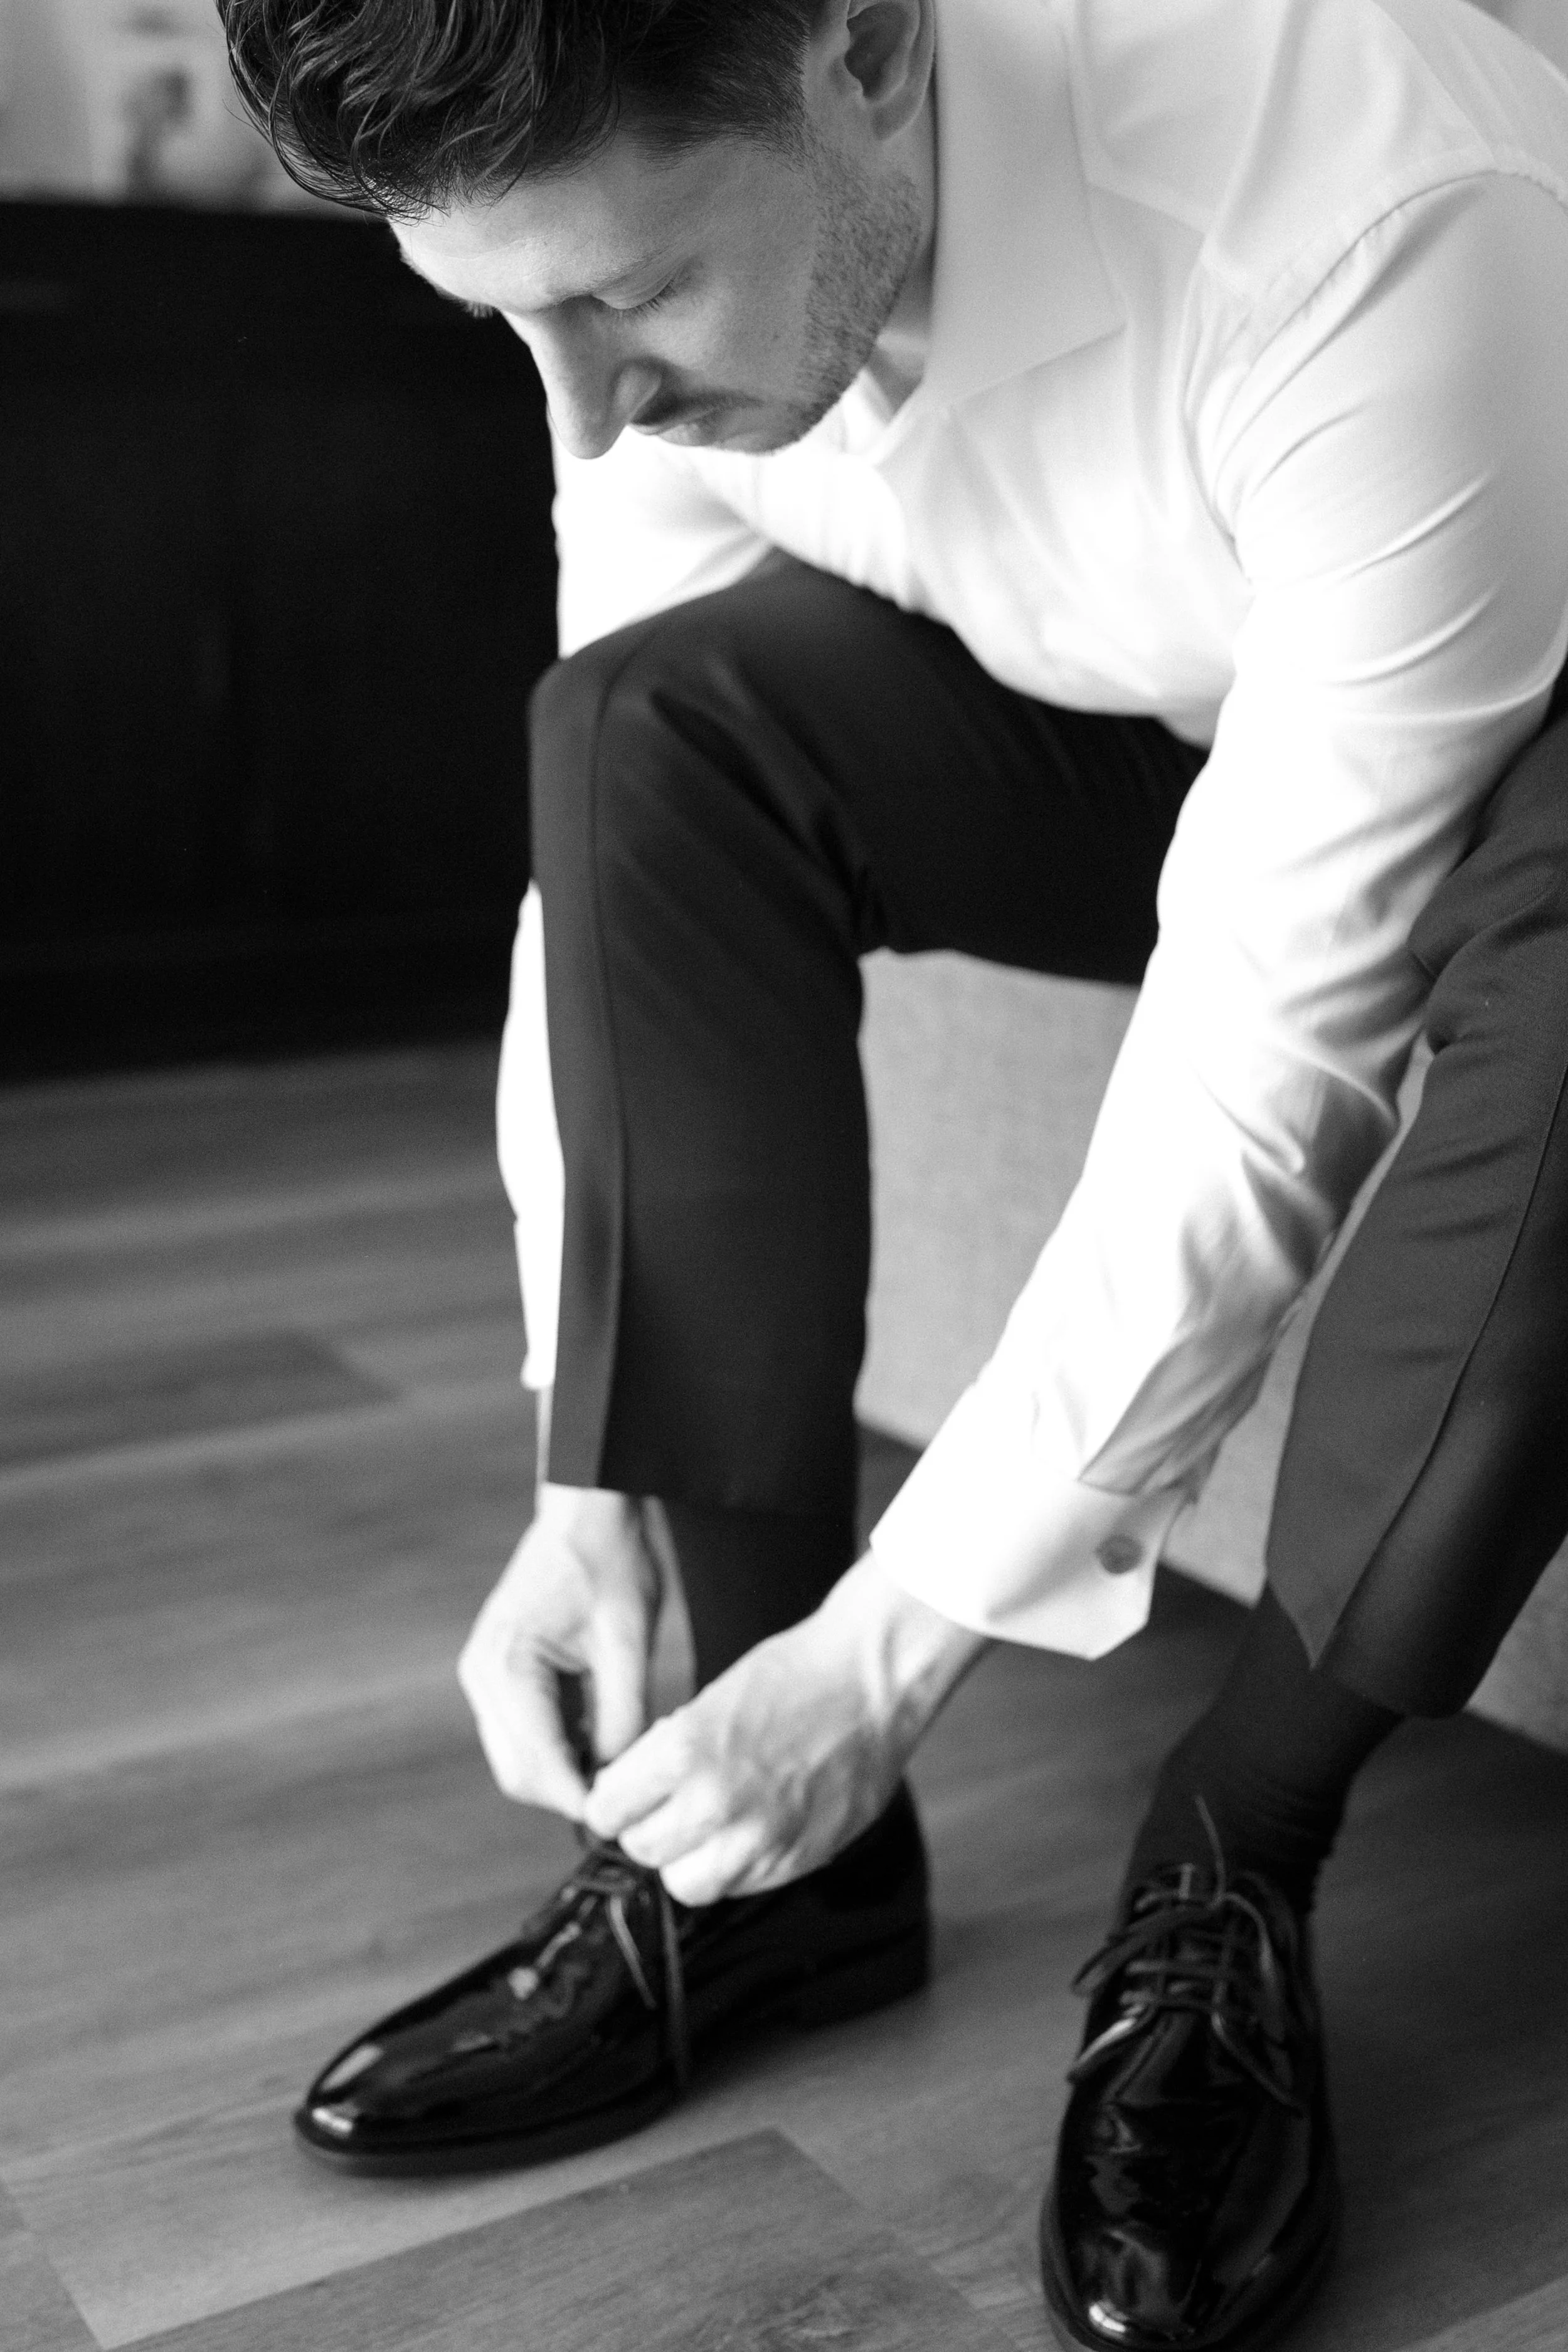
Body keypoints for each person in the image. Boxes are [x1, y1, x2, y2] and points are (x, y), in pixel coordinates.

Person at [220, 0, 1568, 2343]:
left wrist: (902, 1639)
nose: (576, 409)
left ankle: (1226, 1855)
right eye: (501, 321)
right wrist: (583, 1474)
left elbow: (1267, 1033)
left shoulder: (1378, 209)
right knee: (639, 735)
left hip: (1508, 704)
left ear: (856, 48)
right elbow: (605, 819)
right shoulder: (645, 292)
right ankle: (771, 1882)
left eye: (627, 298)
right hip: (1171, 690)